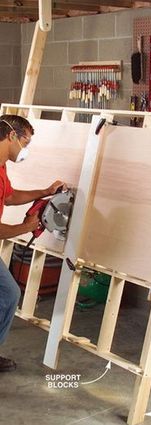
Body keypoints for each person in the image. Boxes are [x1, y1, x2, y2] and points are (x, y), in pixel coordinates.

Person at [0, 114, 65, 372]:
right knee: (8, 294)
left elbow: (10, 196)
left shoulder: (2, 165)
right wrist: (24, 228)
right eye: (25, 143)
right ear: (11, 136)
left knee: (8, 294)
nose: (25, 150)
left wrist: (45, 192)